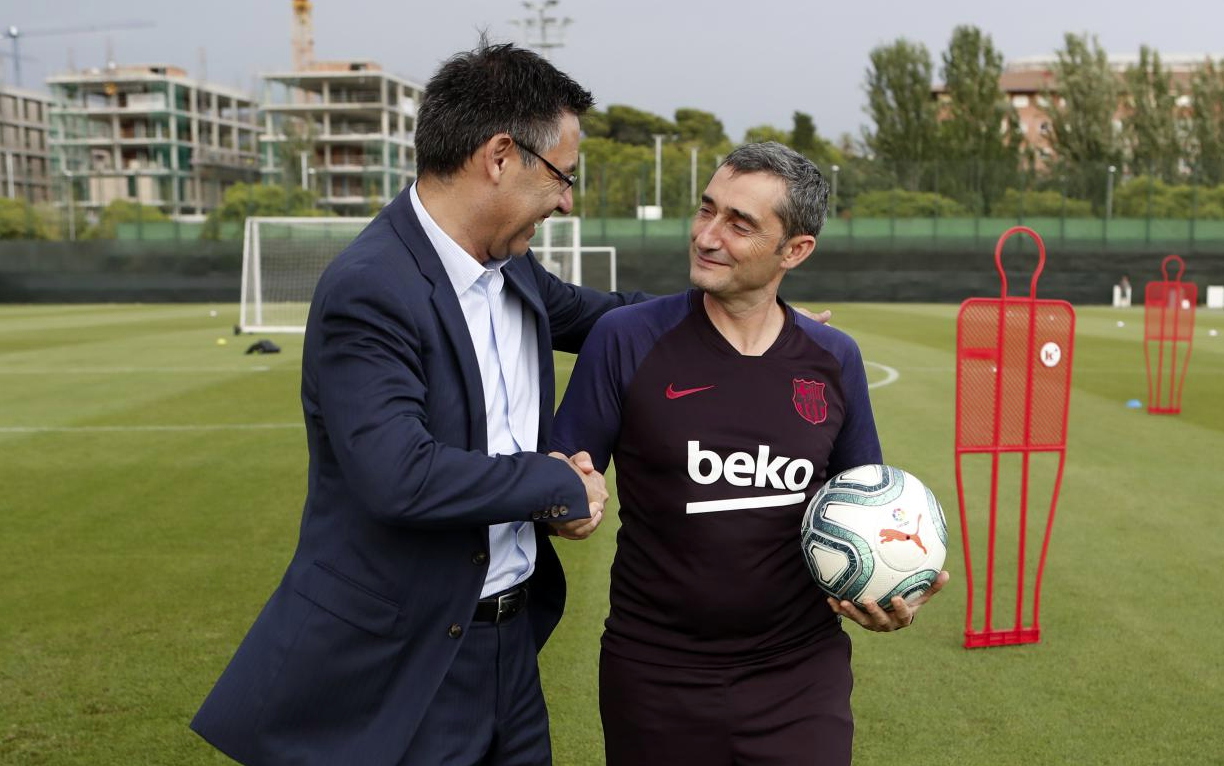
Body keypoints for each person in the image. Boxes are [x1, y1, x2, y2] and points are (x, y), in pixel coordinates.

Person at [190, 41, 649, 766]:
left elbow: (619, 319)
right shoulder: (371, 286)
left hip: (512, 649)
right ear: (500, 156)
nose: (566, 200)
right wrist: (558, 484)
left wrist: (738, 316)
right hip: (410, 667)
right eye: (563, 176)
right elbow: (399, 474)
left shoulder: (515, 269)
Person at [551, 142, 950, 766]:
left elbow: (866, 505)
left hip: (799, 676)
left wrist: (889, 588)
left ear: (795, 250)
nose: (709, 236)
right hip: (655, 673)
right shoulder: (625, 339)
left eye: (740, 224)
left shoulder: (833, 359)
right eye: (706, 210)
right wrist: (566, 504)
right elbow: (561, 482)